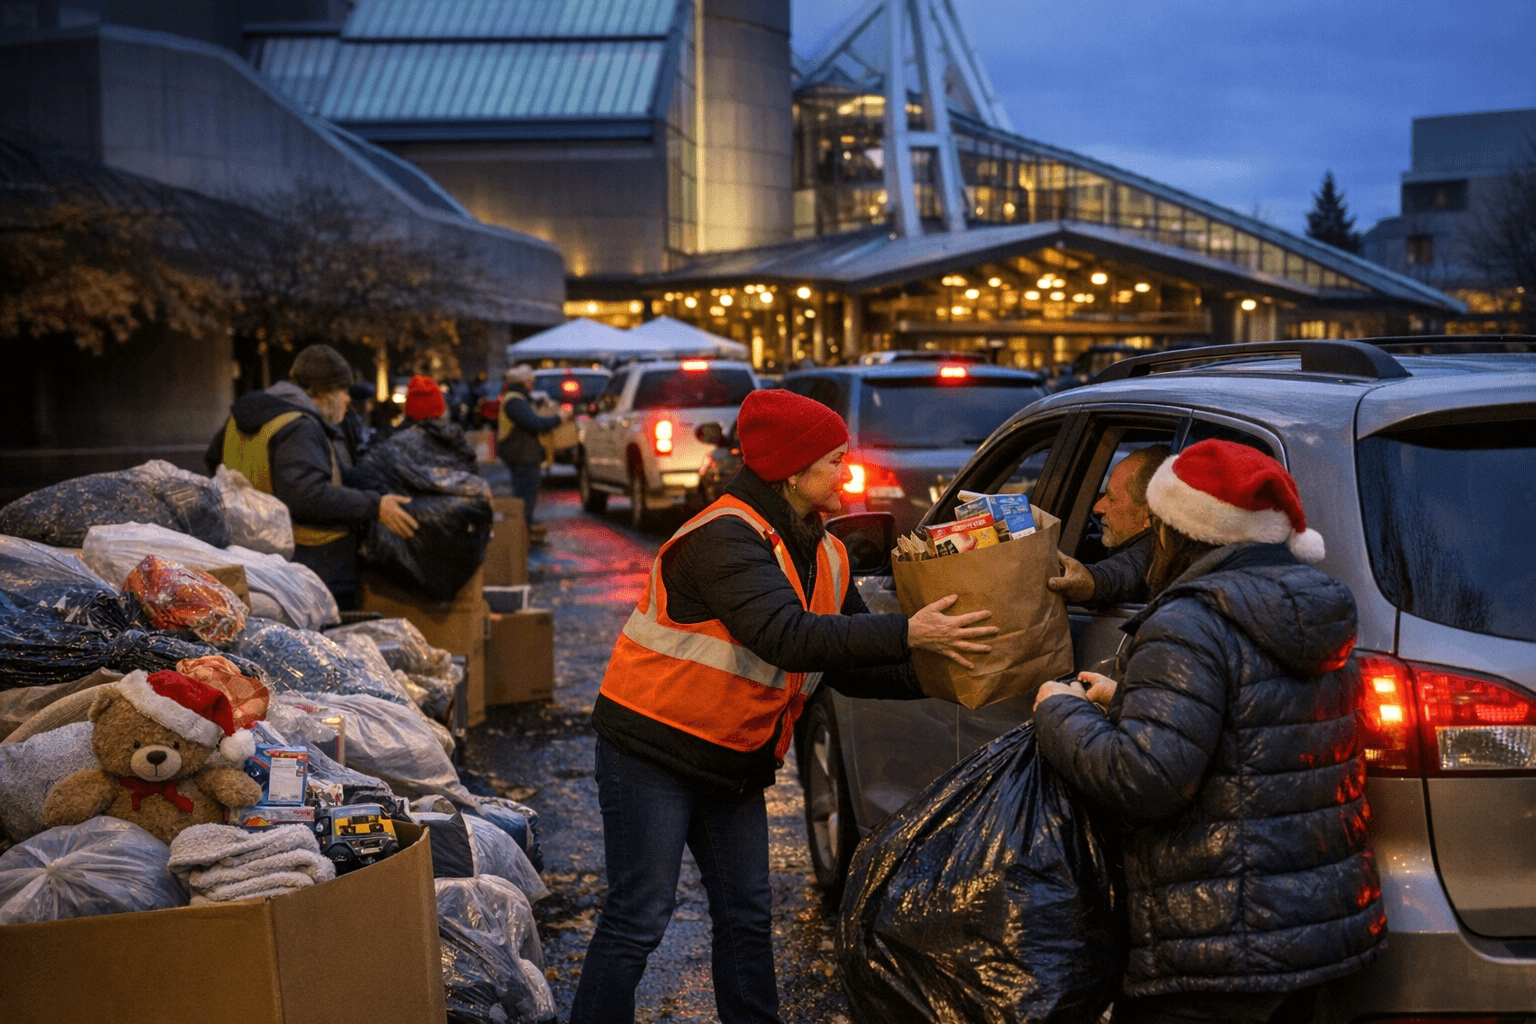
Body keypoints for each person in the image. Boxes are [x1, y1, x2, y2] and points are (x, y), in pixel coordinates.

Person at [569, 388, 999, 1024]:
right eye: (832, 460)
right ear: (792, 471)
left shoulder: (827, 550)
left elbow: (849, 664)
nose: (845, 473)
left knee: (746, 914)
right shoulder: (723, 536)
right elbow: (787, 636)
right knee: (639, 916)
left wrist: (954, 676)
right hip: (651, 751)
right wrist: (911, 630)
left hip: (732, 757)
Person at [1031, 439, 1386, 1024]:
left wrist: (1058, 711)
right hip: (1315, 929)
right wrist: (1129, 701)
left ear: (1178, 531)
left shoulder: (1190, 620)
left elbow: (1146, 778)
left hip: (1216, 937)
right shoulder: (1317, 610)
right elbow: (1256, 729)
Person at [205, 344, 418, 609]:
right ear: (324, 393)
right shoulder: (299, 427)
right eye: (344, 391)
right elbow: (306, 494)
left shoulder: (242, 418)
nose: (348, 400)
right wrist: (374, 506)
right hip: (313, 561)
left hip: (251, 551)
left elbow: (216, 460)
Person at [1047, 443, 1169, 606]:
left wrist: (1091, 582)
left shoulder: (1155, 555)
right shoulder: (1114, 539)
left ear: (1149, 515)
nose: (1097, 508)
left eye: (1112, 499)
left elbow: (1127, 572)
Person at [496, 364, 569, 536]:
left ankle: (522, 531)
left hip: (522, 453)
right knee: (524, 498)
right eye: (531, 381)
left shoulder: (516, 398)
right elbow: (534, 424)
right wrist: (559, 417)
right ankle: (520, 536)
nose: (532, 385)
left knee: (525, 496)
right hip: (522, 455)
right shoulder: (515, 401)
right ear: (524, 382)